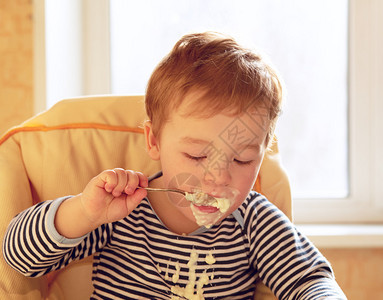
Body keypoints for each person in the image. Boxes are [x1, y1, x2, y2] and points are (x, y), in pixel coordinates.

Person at [3, 32, 346, 299]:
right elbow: (18, 257)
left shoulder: (254, 221)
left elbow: (310, 280)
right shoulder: (120, 212)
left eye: (242, 159)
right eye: (197, 156)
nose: (217, 179)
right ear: (153, 142)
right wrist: (83, 211)